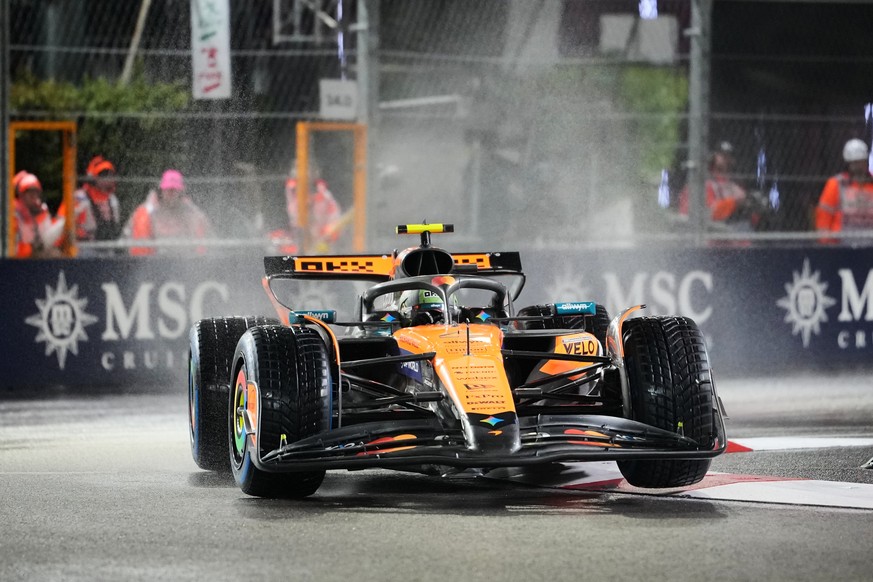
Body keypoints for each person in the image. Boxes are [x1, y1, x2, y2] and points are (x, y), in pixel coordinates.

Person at [124, 169, 212, 256]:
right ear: (161, 191)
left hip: (184, 261)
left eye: (174, 190)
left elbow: (209, 236)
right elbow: (125, 238)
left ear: (181, 192)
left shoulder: (191, 212)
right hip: (152, 263)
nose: (171, 193)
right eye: (168, 189)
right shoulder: (148, 212)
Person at [679, 141, 753, 226]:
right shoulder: (703, 182)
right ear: (712, 157)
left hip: (732, 225)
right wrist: (735, 203)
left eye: (728, 156)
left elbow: (747, 210)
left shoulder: (735, 184)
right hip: (708, 228)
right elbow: (710, 212)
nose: (725, 159)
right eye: (721, 155)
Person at [58, 155, 123, 252]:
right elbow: (61, 225)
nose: (108, 178)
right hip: (82, 250)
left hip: (107, 250)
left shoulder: (113, 200)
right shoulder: (78, 198)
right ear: (92, 178)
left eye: (110, 174)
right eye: (103, 175)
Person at [816, 138, 873, 238]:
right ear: (848, 163)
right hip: (841, 246)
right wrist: (827, 245)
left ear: (866, 161)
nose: (858, 166)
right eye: (854, 162)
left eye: (860, 161)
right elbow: (824, 216)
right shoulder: (836, 184)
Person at [283, 175, 343, 253]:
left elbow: (334, 214)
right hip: (305, 237)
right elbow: (291, 200)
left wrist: (327, 229)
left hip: (322, 237)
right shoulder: (295, 204)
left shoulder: (324, 200)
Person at [11, 170, 63, 258]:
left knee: (56, 253)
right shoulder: (14, 212)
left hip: (38, 255)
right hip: (18, 258)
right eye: (29, 192)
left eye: (36, 192)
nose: (33, 195)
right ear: (21, 195)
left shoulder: (42, 211)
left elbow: (48, 240)